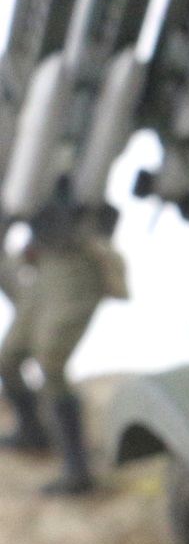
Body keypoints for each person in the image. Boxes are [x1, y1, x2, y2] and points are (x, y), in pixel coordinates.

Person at [0, 182, 126, 495]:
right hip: (46, 265)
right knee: (9, 357)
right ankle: (33, 433)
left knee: (50, 361)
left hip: (77, 265)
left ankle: (78, 469)